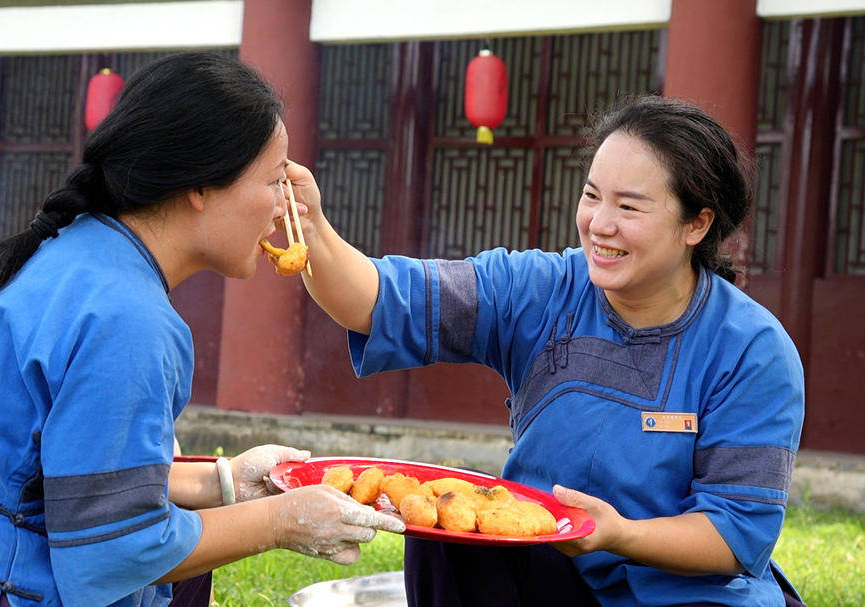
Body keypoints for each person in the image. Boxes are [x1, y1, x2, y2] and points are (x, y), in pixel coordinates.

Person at [0, 52, 403, 607]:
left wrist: (223, 483)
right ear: (199, 187)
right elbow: (111, 552)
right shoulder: (127, 317)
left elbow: (59, 473)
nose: (285, 209)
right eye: (275, 180)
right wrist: (282, 521)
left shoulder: (73, 257)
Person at [282, 96, 806, 606]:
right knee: (442, 528)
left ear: (698, 223)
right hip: (550, 566)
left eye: (629, 206)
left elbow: (735, 536)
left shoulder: (752, 351)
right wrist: (313, 229)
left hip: (685, 593)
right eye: (592, 195)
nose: (600, 224)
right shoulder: (542, 289)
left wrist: (617, 533)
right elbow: (380, 299)